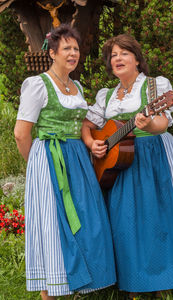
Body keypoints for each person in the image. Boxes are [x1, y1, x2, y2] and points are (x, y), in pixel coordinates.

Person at [81, 34, 173, 299]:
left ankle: (160, 280)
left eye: (124, 53)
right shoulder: (107, 95)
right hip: (118, 163)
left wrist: (149, 124)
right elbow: (88, 126)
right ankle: (129, 280)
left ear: (137, 59)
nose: (118, 59)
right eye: (113, 55)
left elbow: (162, 123)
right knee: (124, 221)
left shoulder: (155, 87)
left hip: (152, 157)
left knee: (156, 218)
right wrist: (92, 145)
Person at [14, 23, 116, 300]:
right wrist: (38, 165)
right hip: (50, 157)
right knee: (52, 220)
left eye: (76, 48)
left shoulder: (76, 86)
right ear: (53, 53)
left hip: (78, 160)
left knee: (86, 217)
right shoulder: (38, 85)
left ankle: (80, 280)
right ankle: (48, 292)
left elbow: (82, 125)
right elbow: (21, 133)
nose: (73, 53)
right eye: (67, 48)